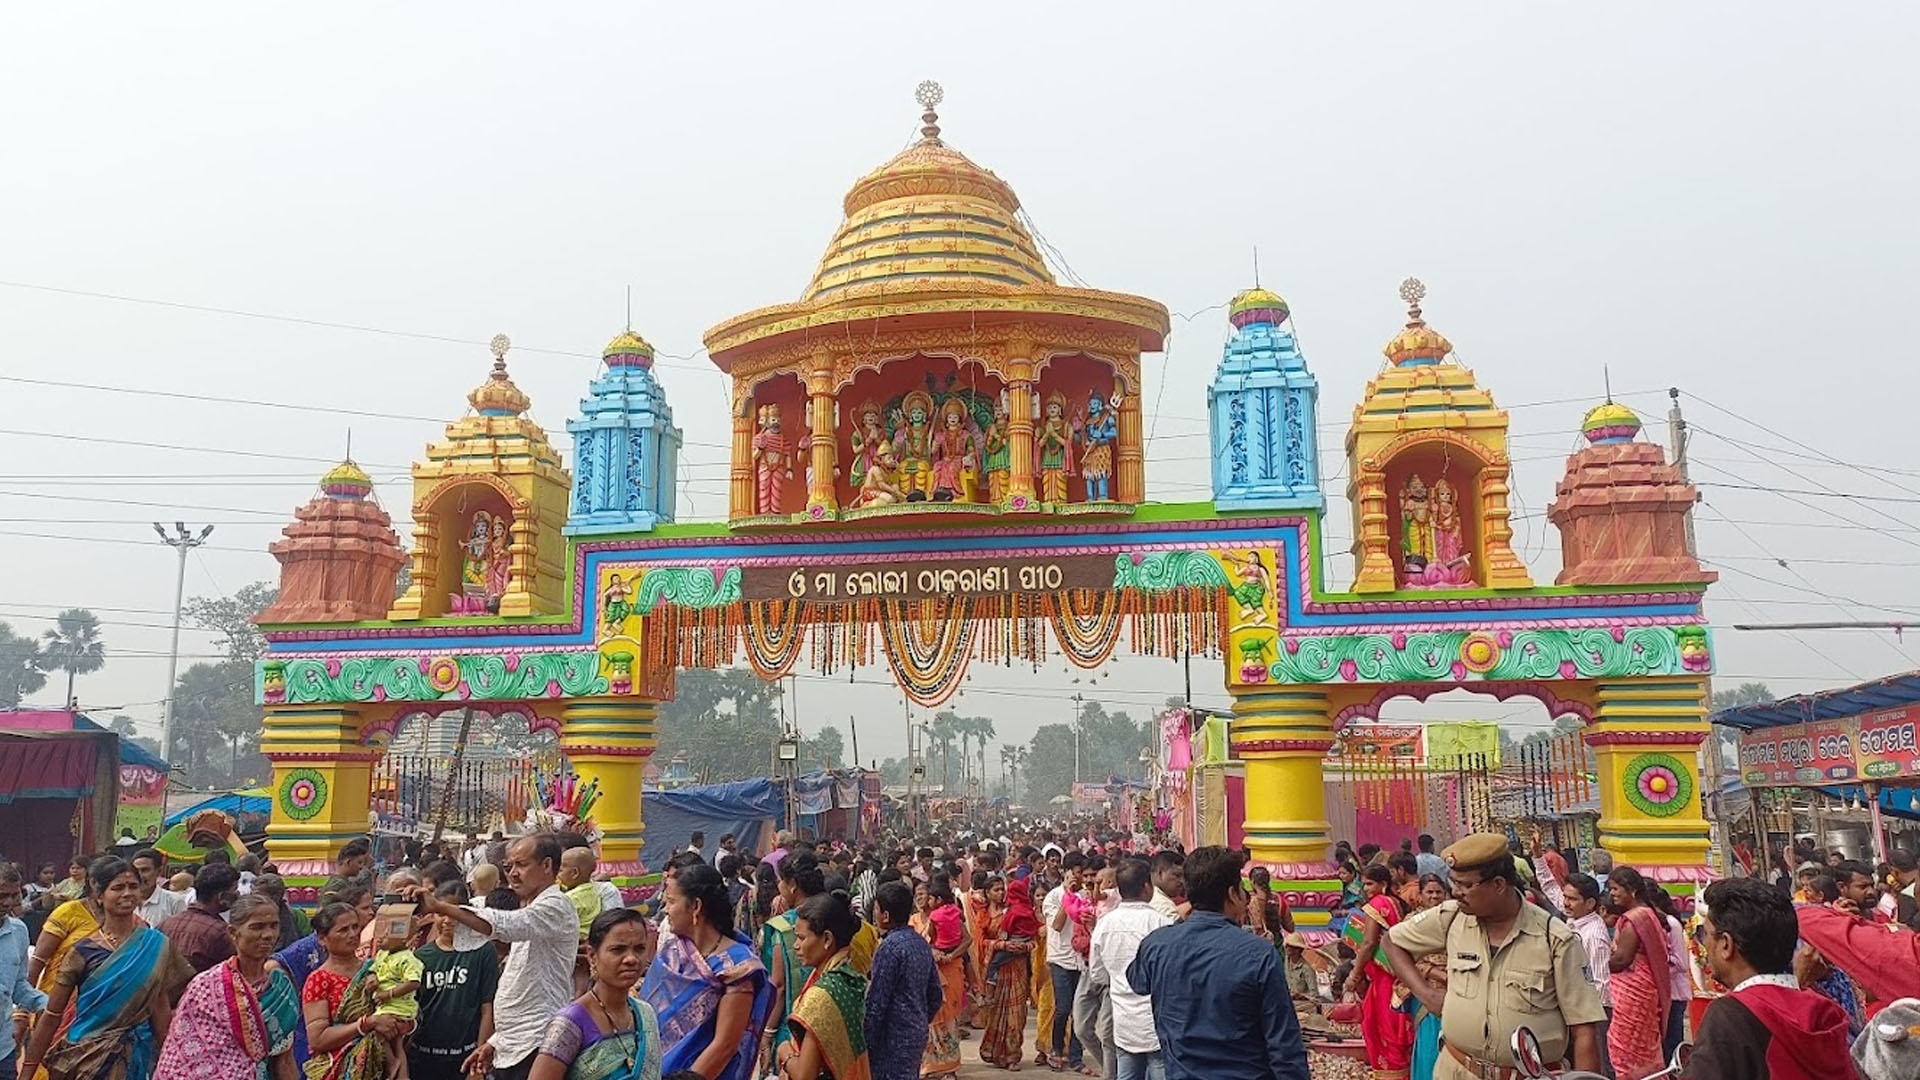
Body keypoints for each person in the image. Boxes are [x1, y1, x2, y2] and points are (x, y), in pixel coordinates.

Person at [1383, 833, 1606, 1079]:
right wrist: (1426, 993)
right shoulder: (1451, 917)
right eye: (1453, 883)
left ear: (1499, 885)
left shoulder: (1554, 937)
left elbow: (1583, 1028)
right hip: (1456, 1070)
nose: (1455, 893)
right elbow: (1392, 942)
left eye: (1465, 885)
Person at [407, 834, 579, 1080]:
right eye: (509, 867)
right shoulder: (532, 908)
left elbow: (506, 925)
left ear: (547, 865)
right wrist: (495, 1042)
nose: (513, 874)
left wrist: (441, 907)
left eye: (522, 865)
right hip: (515, 1041)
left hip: (538, 1041)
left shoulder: (556, 905)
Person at [1125, 846, 1306, 1080]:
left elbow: (1138, 983)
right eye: (1243, 891)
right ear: (1232, 894)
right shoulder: (1259, 954)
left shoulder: (1156, 945)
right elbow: (1283, 1043)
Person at [21, 856, 194, 1080]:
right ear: (100, 896)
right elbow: (52, 1016)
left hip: (135, 1057)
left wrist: (169, 1062)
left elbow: (159, 1005)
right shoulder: (82, 952)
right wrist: (27, 1071)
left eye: (133, 886)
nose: (127, 893)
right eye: (118, 888)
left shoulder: (156, 945)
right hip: (86, 1057)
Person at [1689, 878, 1854, 1080]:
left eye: (1705, 934)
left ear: (1726, 944)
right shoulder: (1823, 1007)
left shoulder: (1730, 1013)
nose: (1704, 943)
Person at [640, 864, 771, 1080]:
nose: (665, 909)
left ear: (696, 907)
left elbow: (725, 1045)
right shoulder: (671, 952)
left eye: (672, 902)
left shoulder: (737, 967)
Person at [151, 893, 301, 1080]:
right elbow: (183, 1056)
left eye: (274, 926)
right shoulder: (207, 986)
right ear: (233, 933)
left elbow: (284, 1059)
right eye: (257, 927)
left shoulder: (280, 988)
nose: (268, 935)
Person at [527, 908, 661, 1080]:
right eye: (618, 950)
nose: (631, 959)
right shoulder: (571, 1023)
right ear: (592, 956)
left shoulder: (645, 1014)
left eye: (639, 949)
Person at [408, 881, 500, 1080]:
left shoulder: (482, 951)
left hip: (463, 1058)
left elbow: (488, 1007)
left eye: (454, 913)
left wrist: (477, 1062)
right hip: (423, 1057)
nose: (448, 921)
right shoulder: (421, 957)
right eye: (441, 914)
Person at [1088, 860, 1169, 1080]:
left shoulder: (1105, 925)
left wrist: (1118, 979)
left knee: (1127, 1072)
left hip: (1123, 1017)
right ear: (1146, 886)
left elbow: (1097, 974)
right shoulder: (1161, 923)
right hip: (1155, 1019)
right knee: (1158, 1067)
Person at [775, 893, 868, 1080]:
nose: (796, 946)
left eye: (801, 938)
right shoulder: (850, 977)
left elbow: (804, 1075)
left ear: (827, 939)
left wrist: (784, 1051)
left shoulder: (821, 996)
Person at [1342, 865, 1412, 1080]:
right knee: (1398, 1030)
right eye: (1364, 883)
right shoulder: (1397, 904)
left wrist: (1354, 976)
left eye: (1370, 883)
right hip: (1400, 976)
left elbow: (1369, 943)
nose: (1366, 888)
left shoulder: (1377, 905)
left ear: (1383, 884)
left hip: (1384, 981)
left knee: (1381, 1030)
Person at [864, 882, 939, 1080]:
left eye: (877, 910)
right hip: (916, 1032)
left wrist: (866, 1041)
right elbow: (935, 994)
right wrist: (920, 1019)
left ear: (886, 916)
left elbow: (877, 1002)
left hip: (891, 1037)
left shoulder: (889, 948)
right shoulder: (920, 943)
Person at [1605, 867, 1671, 1080]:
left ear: (1632, 891)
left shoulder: (1635, 918)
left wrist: (1594, 963)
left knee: (1625, 1046)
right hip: (1643, 990)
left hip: (1632, 992)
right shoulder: (1648, 913)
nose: (1612, 894)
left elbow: (1621, 960)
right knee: (1643, 1046)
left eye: (1615, 889)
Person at [910, 878, 967, 1079]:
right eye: (916, 893)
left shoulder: (947, 917)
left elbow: (966, 939)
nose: (920, 897)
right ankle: (929, 1066)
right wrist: (932, 953)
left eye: (924, 893)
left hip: (950, 971)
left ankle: (949, 1067)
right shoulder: (914, 921)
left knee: (949, 1018)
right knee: (928, 1019)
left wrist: (951, 955)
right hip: (926, 973)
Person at [979, 877, 1035, 1071]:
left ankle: (1012, 1056)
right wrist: (1001, 945)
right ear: (987, 893)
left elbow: (1032, 937)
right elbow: (979, 941)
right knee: (995, 1011)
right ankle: (994, 1051)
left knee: (1016, 1013)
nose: (1001, 894)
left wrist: (1025, 945)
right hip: (998, 969)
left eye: (1002, 890)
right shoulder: (983, 915)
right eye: (996, 890)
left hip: (1018, 966)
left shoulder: (1013, 911)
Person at [0, 866, 50, 1080]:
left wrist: (50, 1005)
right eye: (2, 896)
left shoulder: (18, 931)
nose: (9, 903)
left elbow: (19, 986)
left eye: (15, 895)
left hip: (3, 1049)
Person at [1560, 873, 1612, 1075]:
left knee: (1596, 1066)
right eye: (1565, 897)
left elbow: (1600, 982)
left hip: (1593, 1012)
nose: (1565, 903)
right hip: (1577, 1008)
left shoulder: (1594, 935)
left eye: (1572, 899)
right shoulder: (1575, 922)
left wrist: (1589, 1021)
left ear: (1590, 903)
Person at [1040, 853, 1087, 1073]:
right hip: (1060, 958)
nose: (1079, 877)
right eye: (1076, 873)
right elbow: (1057, 926)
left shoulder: (1087, 894)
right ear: (1066, 873)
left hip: (1082, 959)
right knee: (1063, 1008)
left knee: (1080, 1011)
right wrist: (1068, 898)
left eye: (1081, 873)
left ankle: (1076, 1057)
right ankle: (1056, 1050)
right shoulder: (1053, 897)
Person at [160, 863, 242, 973]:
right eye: (234, 890)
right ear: (221, 897)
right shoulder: (221, 932)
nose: (238, 894)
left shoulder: (165, 924)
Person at [251, 875, 311, 953]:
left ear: (277, 896)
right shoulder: (248, 915)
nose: (254, 900)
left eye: (259, 896)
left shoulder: (297, 917)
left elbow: (308, 944)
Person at [130, 851, 183, 932]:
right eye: (136, 871)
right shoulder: (126, 902)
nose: (140, 876)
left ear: (159, 871)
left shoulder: (174, 901)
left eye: (145, 870)